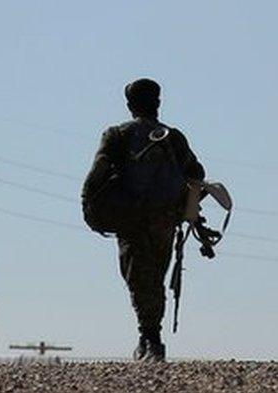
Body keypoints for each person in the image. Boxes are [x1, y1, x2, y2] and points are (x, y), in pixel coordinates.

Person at [82, 78, 205, 361]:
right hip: (164, 219)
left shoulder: (116, 135)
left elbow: (96, 174)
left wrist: (91, 208)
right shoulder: (173, 138)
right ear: (158, 104)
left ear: (129, 105)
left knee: (138, 276)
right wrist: (187, 209)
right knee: (155, 276)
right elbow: (196, 172)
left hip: (130, 217)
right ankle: (151, 336)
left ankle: (149, 338)